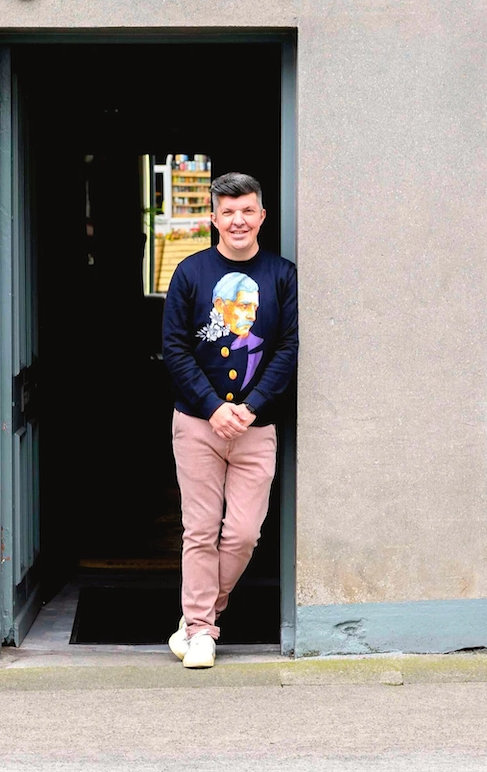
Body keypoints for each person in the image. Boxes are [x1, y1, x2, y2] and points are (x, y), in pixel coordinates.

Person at [161, 172, 298, 669]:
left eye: (247, 211)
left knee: (243, 534)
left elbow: (287, 348)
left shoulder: (282, 275)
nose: (238, 220)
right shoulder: (189, 273)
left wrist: (251, 405)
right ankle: (202, 633)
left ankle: (199, 616)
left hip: (256, 428)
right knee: (199, 531)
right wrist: (213, 407)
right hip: (198, 425)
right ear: (213, 219)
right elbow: (174, 348)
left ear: (262, 216)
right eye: (228, 212)